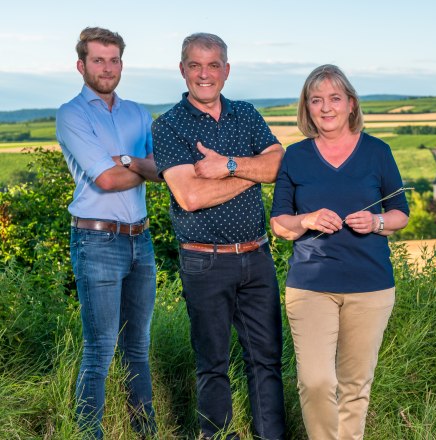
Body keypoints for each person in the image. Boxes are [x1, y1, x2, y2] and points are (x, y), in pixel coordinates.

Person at [152, 32, 285, 440]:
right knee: (212, 365)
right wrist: (252, 171)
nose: (204, 74)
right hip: (204, 261)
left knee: (267, 360)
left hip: (257, 256)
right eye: (195, 65)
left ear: (227, 70)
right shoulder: (168, 125)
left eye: (213, 65)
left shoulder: (246, 113)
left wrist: (228, 165)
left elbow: (279, 163)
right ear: (182, 70)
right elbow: (190, 196)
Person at [270, 64, 409, 440]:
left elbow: (400, 214)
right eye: (316, 100)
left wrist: (376, 222)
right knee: (315, 381)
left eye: (334, 98)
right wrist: (308, 219)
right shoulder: (295, 156)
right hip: (310, 285)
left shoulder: (378, 152)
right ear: (307, 107)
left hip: (371, 287)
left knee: (354, 385)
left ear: (351, 104)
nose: (326, 107)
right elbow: (280, 224)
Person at [56, 27, 162, 439]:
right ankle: (88, 434)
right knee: (100, 350)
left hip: (141, 239)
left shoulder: (138, 113)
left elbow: (161, 171)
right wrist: (138, 166)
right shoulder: (72, 114)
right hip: (96, 241)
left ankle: (145, 432)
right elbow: (106, 180)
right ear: (81, 65)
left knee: (138, 347)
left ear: (121, 64)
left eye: (114, 59)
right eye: (98, 60)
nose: (107, 68)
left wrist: (126, 160)